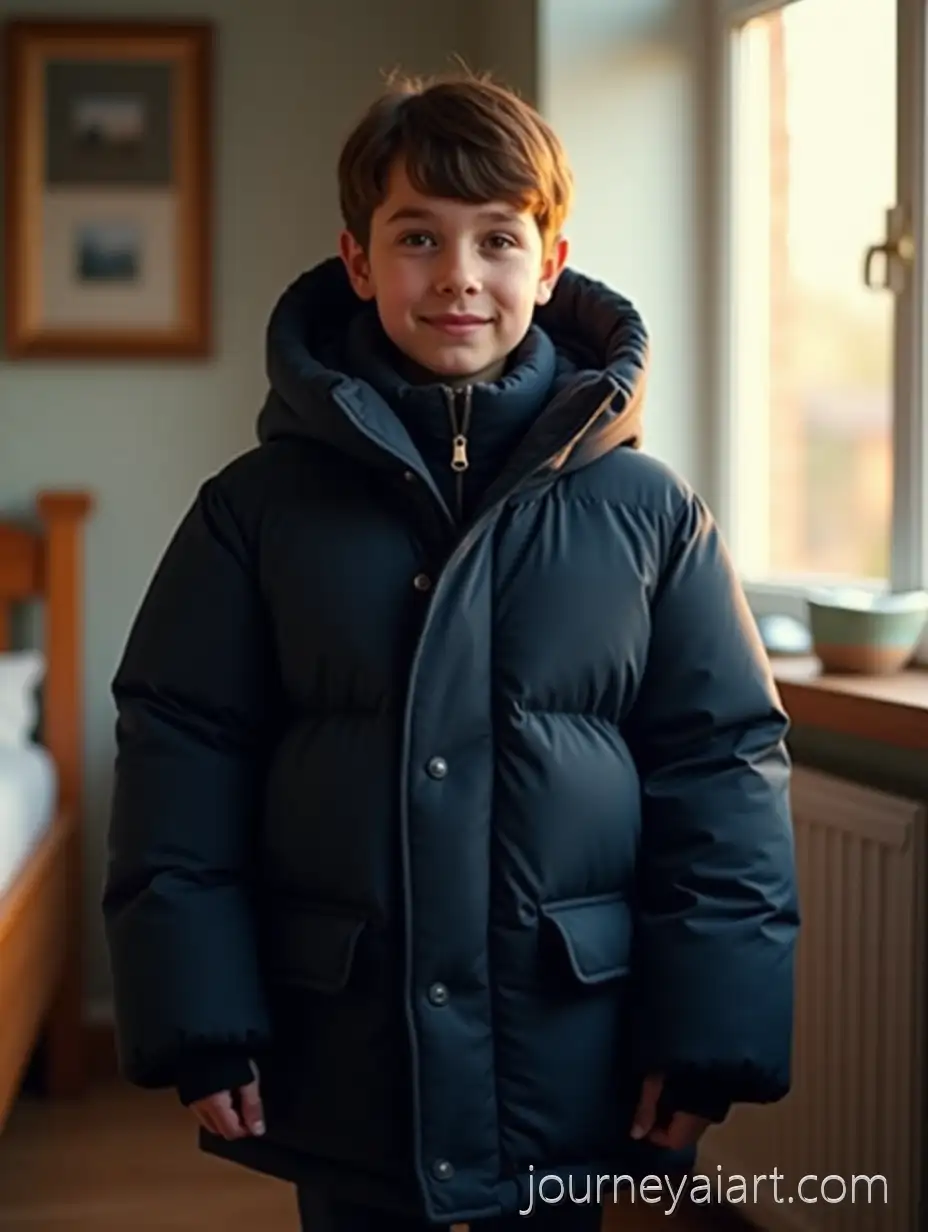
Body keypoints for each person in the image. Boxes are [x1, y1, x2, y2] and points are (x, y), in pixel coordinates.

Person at [102, 69, 800, 1232]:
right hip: (346, 1033)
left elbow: (720, 769)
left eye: (497, 238)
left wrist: (703, 1037)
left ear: (552, 260)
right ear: (359, 261)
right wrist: (201, 1013)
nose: (460, 275)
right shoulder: (256, 510)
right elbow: (181, 755)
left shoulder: (648, 513)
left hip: (566, 1036)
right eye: (417, 236)